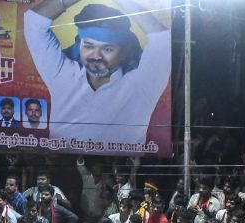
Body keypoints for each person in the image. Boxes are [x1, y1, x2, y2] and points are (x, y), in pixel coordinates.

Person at [25, 0, 172, 146]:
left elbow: (163, 40)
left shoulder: (141, 86)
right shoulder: (62, 74)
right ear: (79, 44)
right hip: (61, 166)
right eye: (88, 46)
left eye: (107, 49)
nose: (96, 56)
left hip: (120, 167)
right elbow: (34, 23)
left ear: (124, 52)